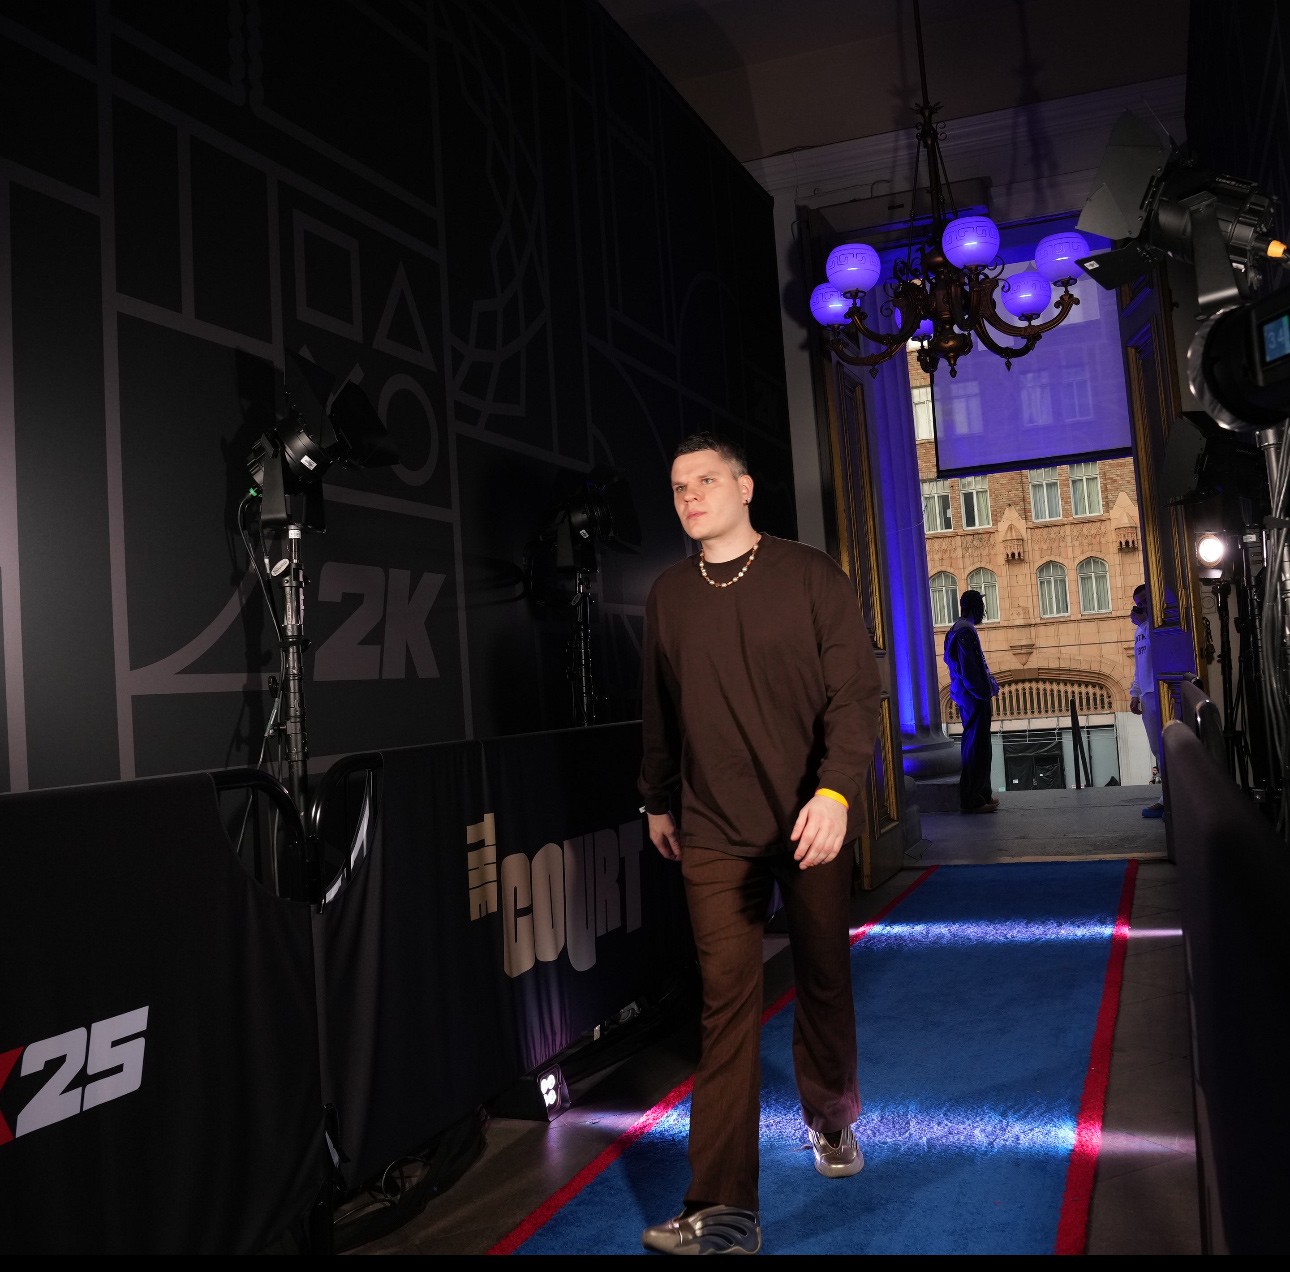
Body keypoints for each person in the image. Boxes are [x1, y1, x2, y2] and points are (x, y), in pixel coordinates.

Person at [637, 430, 883, 1256]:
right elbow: (660, 710)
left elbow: (855, 696)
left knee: (823, 975)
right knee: (726, 1005)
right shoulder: (669, 596)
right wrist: (656, 798)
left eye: (705, 480)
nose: (689, 495)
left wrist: (837, 791)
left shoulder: (810, 576)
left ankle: (832, 1116)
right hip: (712, 825)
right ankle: (724, 1211)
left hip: (810, 817)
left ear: (744, 488)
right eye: (679, 486)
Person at [943, 589, 1000, 814]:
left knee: (980, 745)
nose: (984, 612)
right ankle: (973, 798)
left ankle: (982, 793)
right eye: (981, 607)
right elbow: (969, 670)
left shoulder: (959, 629)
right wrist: (982, 692)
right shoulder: (964, 631)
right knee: (977, 746)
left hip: (970, 696)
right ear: (975, 608)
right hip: (973, 697)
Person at [1129, 583, 1165, 819]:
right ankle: (1166, 796)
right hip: (1147, 695)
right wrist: (1135, 693)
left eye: (1144, 601)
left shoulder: (1158, 625)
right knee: (1156, 748)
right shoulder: (1140, 630)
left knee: (1165, 747)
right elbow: (1139, 664)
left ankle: (1170, 799)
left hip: (1161, 691)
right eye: (1138, 603)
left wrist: (1145, 623)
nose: (1141, 606)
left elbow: (1160, 650)